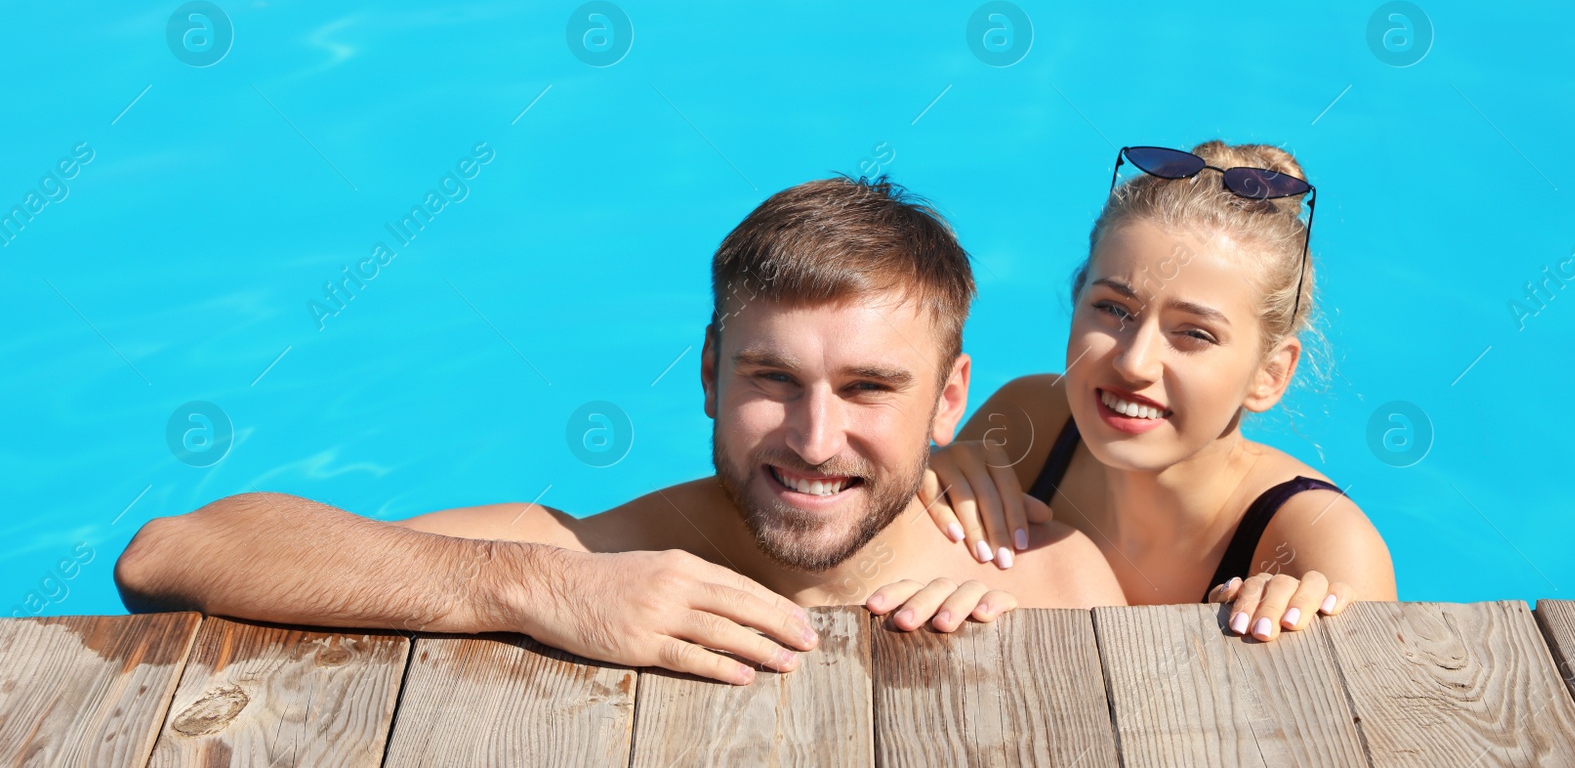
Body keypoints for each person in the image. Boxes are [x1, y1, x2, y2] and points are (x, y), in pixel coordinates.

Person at [117, 176, 1124, 686]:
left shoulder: (1045, 578)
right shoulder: (610, 555)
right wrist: (538, 584)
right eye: (772, 379)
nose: (815, 438)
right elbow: (170, 554)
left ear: (949, 400)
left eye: (868, 388)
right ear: (706, 374)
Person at [918, 142, 1396, 641]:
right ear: (1078, 297)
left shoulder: (1322, 546)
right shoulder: (1026, 425)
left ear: (1269, 375)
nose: (1134, 362)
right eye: (1113, 309)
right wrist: (922, 491)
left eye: (1194, 334)